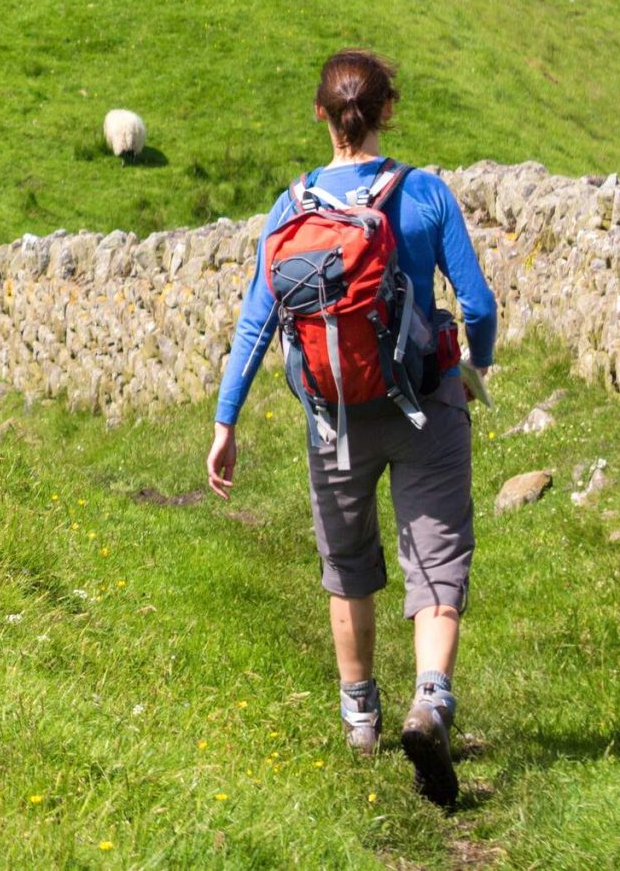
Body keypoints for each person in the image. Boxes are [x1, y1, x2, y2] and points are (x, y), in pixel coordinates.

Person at [203, 49, 496, 807]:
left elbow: (256, 320)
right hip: (427, 402)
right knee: (436, 556)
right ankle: (430, 700)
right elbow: (479, 303)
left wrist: (225, 419)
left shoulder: (289, 207)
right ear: (387, 111)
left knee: (348, 563)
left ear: (322, 115)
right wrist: (476, 365)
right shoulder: (426, 194)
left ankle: (360, 719)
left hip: (333, 416)